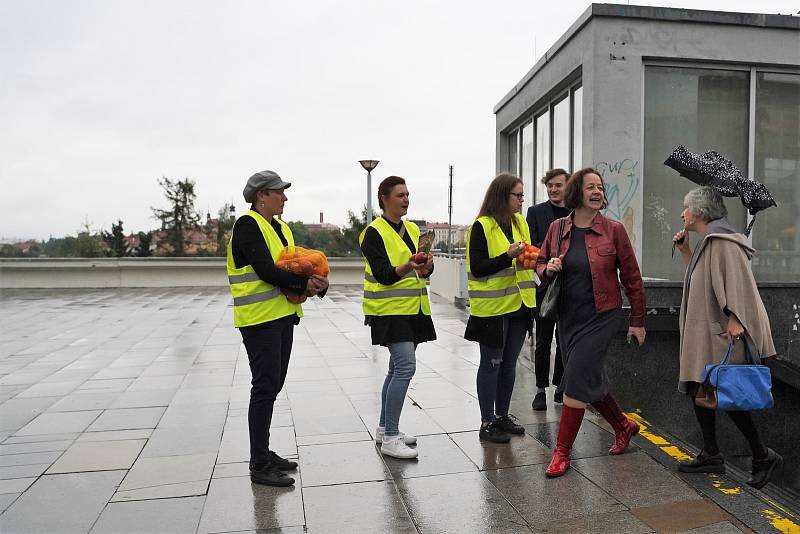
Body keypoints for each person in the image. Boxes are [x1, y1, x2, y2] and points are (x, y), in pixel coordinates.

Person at [536, 167, 645, 478]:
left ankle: (561, 452)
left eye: (600, 187)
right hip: (568, 317)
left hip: (603, 315)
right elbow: (540, 263)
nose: (597, 192)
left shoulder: (614, 230)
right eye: (590, 187)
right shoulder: (557, 229)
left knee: (574, 382)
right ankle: (623, 426)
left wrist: (637, 321)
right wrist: (549, 268)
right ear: (577, 193)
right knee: (589, 379)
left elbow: (633, 279)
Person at [672, 186, 781, 489]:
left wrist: (736, 318)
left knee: (727, 393)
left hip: (720, 330)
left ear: (700, 213)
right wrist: (686, 252)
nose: (682, 213)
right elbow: (703, 280)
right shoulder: (710, 242)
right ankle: (711, 453)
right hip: (704, 329)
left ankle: (762, 455)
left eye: (686, 207)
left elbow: (740, 284)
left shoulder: (723, 242)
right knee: (698, 385)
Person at [227, 170, 329, 487]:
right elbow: (268, 271)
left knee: (274, 384)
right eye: (279, 192)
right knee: (264, 386)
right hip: (259, 320)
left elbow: (297, 264)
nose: (284, 197)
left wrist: (317, 282)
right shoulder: (247, 225)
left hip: (283, 315)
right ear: (261, 196)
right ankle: (259, 463)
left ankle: (264, 452)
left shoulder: (281, 227)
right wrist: (305, 283)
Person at [359, 176, 435, 460]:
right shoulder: (372, 232)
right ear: (384, 198)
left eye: (407, 194)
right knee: (405, 368)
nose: (405, 199)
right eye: (400, 195)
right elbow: (383, 274)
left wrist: (426, 267)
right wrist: (409, 265)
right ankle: (391, 437)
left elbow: (423, 270)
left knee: (395, 370)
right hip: (389, 312)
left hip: (413, 310)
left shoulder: (414, 228)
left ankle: (385, 428)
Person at [465, 173, 537, 444]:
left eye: (522, 195)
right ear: (502, 196)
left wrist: (536, 261)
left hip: (519, 305)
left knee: (509, 364)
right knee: (491, 364)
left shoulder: (521, 223)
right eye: (517, 195)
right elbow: (478, 267)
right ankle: (487, 422)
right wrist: (507, 257)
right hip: (493, 309)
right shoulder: (481, 226)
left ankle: (503, 416)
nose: (521, 200)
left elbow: (525, 259)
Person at [526, 168, 570, 411]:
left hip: (570, 286)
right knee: (543, 341)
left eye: (558, 185)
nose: (553, 189)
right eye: (550, 185)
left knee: (564, 339)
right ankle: (540, 389)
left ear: (567, 186)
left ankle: (560, 387)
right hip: (544, 285)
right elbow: (529, 247)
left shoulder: (577, 213)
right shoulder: (535, 213)